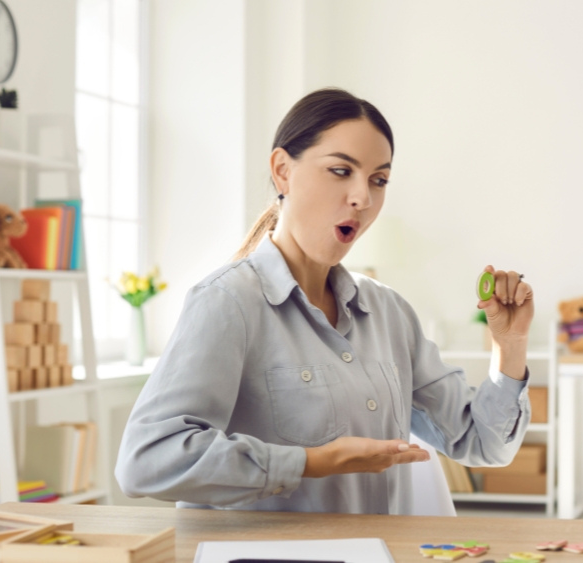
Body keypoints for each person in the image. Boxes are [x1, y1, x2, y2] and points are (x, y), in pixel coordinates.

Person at [114, 88, 535, 514]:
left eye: (379, 180)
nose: (363, 198)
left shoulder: (389, 312)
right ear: (282, 171)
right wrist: (311, 462)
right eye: (340, 170)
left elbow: (483, 444)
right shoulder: (228, 302)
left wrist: (510, 344)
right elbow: (145, 461)